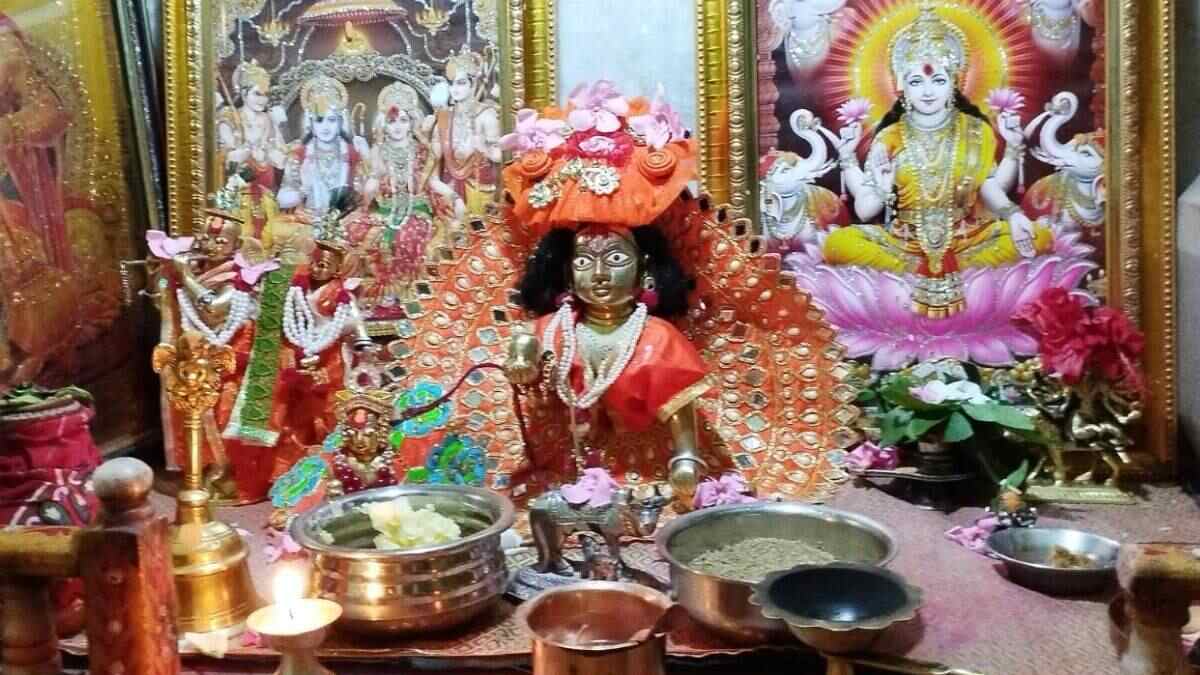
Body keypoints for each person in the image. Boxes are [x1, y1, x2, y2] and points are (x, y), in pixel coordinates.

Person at [823, 4, 1052, 318]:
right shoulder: (889, 137)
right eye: (916, 82)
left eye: (938, 80)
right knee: (839, 244)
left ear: (954, 83)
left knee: (1039, 236)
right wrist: (881, 186)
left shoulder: (976, 131)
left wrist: (1013, 211)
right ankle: (935, 275)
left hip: (966, 239)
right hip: (904, 242)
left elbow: (990, 188)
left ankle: (917, 281)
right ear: (901, 86)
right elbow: (865, 211)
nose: (928, 92)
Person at [428, 51, 500, 228]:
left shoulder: (486, 116)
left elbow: (500, 159)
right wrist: (455, 198)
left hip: (483, 195)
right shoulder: (443, 120)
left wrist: (483, 148)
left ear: (473, 83)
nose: (455, 89)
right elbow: (432, 177)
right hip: (451, 197)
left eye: (461, 83)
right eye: (451, 83)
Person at [277, 75, 367, 217]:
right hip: (307, 220)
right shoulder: (298, 155)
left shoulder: (352, 154)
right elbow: (283, 197)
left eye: (331, 120)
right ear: (311, 123)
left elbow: (362, 194)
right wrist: (302, 190)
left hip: (345, 220)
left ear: (340, 122)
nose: (325, 127)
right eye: (319, 121)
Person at [216, 60, 289, 190]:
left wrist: (268, 153)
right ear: (244, 93)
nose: (262, 100)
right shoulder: (229, 119)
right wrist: (249, 152)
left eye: (266, 94)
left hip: (267, 184)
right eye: (257, 94)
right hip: (239, 186)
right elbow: (227, 159)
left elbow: (282, 157)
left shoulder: (270, 119)